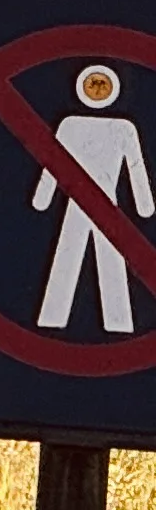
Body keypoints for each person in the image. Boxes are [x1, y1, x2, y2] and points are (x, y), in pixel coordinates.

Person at [36, 62, 156, 336]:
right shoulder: (70, 125)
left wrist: (144, 204)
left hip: (104, 202)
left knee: (107, 257)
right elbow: (52, 162)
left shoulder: (123, 128)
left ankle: (117, 320)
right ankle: (55, 316)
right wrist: (43, 196)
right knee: (69, 254)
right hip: (79, 203)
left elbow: (135, 167)